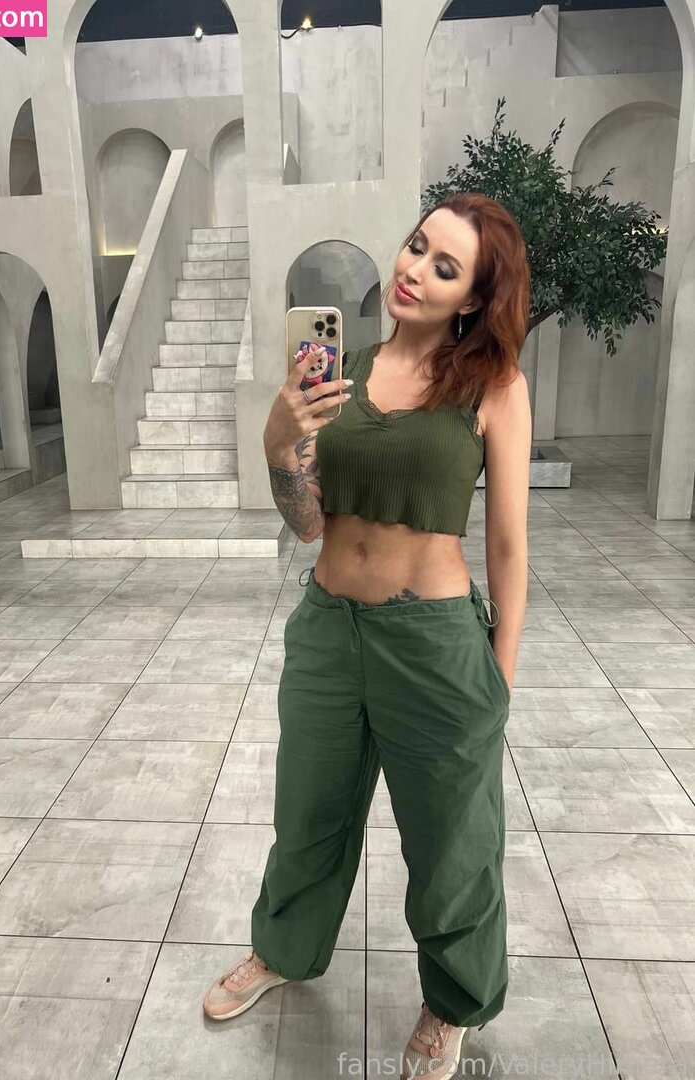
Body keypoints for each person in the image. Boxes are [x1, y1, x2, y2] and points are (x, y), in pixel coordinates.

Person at [202, 193, 532, 1080]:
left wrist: (498, 678)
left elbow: (508, 546)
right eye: (417, 246)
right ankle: (283, 948)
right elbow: (308, 523)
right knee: (306, 814)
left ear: (473, 298)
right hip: (327, 629)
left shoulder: (494, 386)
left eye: (444, 267)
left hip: (434, 644)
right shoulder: (338, 371)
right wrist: (281, 441)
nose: (414, 270)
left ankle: (453, 1002)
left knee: (452, 840)